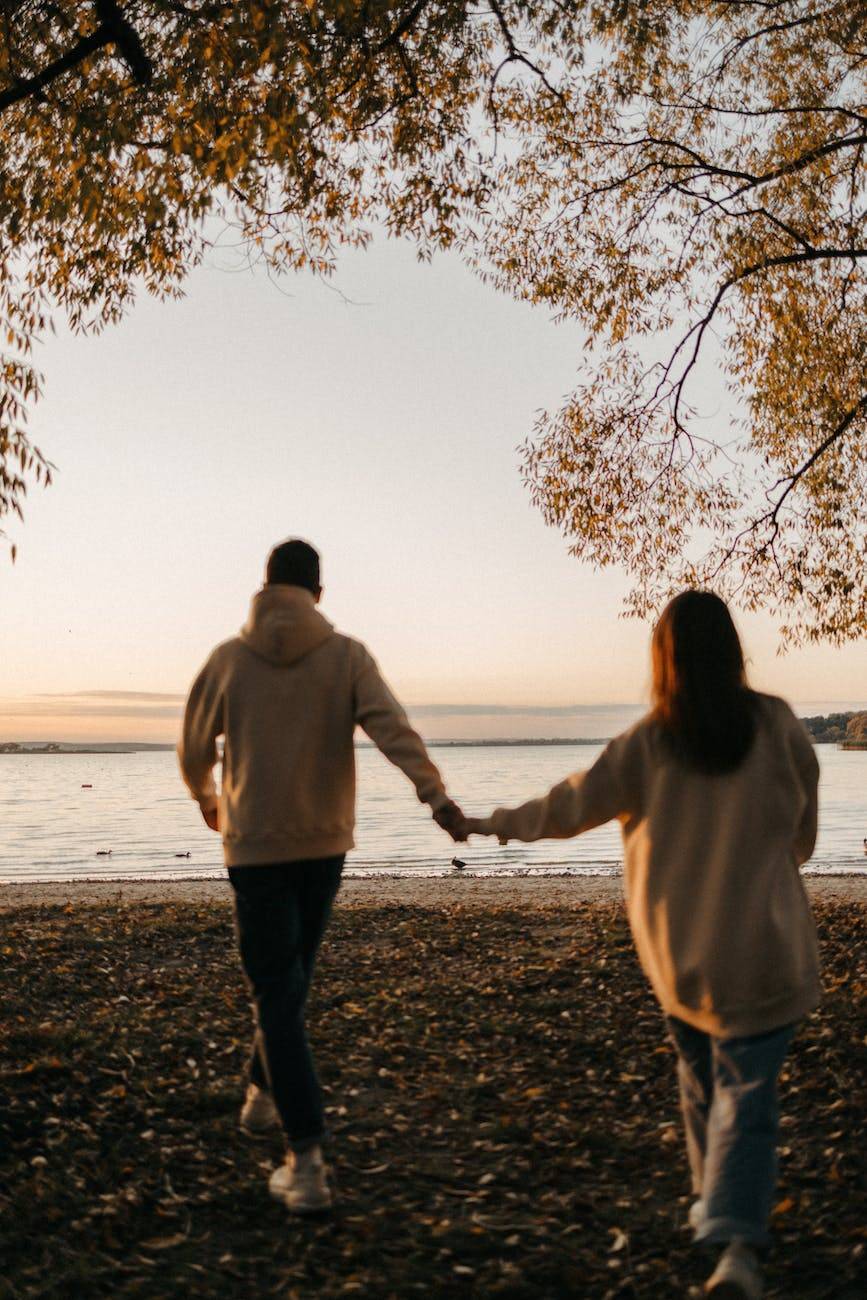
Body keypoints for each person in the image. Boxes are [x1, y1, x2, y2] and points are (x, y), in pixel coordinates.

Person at [458, 591, 820, 1299]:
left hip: (680, 956)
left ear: (664, 659)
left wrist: (489, 822)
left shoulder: (649, 742)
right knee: (744, 1097)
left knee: (702, 1086)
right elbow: (800, 833)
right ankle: (734, 1244)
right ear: (731, 651)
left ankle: (714, 1210)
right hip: (765, 948)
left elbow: (566, 808)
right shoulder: (774, 723)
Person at [178, 538, 462, 1214]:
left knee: (280, 988)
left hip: (253, 848)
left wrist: (208, 798)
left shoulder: (226, 660)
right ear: (318, 593)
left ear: (264, 586)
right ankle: (274, 1110)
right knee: (286, 984)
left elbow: (192, 748)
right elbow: (394, 730)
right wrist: (435, 797)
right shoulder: (345, 657)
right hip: (323, 843)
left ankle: (300, 1153)